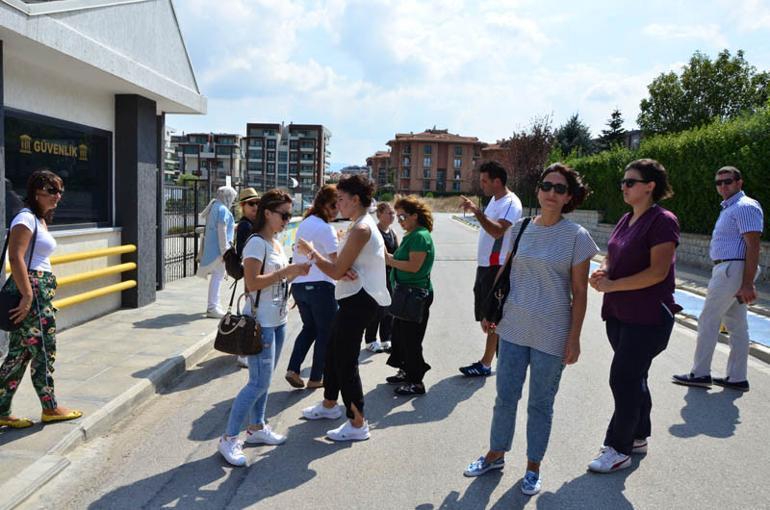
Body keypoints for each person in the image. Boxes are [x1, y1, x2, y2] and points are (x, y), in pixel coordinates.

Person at [464, 163, 597, 496]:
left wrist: (574, 338)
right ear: (538, 190)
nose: (552, 193)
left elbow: (580, 293)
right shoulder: (522, 227)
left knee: (540, 404)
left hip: (552, 333)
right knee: (505, 397)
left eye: (560, 189)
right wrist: (489, 311)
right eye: (546, 186)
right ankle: (495, 454)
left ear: (570, 197)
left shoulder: (577, 238)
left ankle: (533, 467)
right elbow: (506, 270)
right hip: (512, 327)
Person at [587, 158, 681, 473]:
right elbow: (612, 257)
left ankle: (618, 448)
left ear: (650, 186)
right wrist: (603, 272)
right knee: (635, 376)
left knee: (623, 377)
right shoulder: (625, 219)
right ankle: (638, 435)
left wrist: (613, 284)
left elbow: (657, 272)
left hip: (649, 316)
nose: (624, 187)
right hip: (618, 313)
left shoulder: (663, 220)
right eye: (623, 182)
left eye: (631, 182)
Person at [217, 189, 311, 467]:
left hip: (277, 320)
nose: (287, 219)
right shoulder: (257, 243)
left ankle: (257, 428)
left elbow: (276, 279)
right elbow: (252, 283)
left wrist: (293, 276)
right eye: (283, 214)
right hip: (261, 324)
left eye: (289, 214)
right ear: (267, 213)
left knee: (265, 380)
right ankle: (229, 438)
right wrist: (286, 273)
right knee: (257, 382)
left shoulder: (277, 243)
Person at [296, 175, 390, 442]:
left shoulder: (361, 228)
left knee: (345, 361)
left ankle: (358, 423)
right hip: (355, 297)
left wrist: (311, 252)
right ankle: (329, 405)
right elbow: (344, 265)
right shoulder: (357, 224)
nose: (337, 204)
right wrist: (342, 265)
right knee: (332, 351)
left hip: (361, 300)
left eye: (341, 199)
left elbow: (336, 270)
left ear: (355, 199)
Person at [0, 169, 83, 428]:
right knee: (45, 349)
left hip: (38, 288)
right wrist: (27, 295)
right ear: (36, 192)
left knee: (20, 353)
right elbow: (16, 258)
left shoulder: (39, 219)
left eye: (60, 191)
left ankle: (1, 409)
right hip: (32, 289)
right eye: (52, 191)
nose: (58, 196)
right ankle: (50, 407)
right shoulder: (25, 219)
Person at [673, 166, 763, 392]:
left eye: (728, 181)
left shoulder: (744, 207)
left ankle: (700, 373)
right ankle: (737, 378)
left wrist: (747, 282)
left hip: (732, 270)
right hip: (730, 270)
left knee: (708, 320)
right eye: (719, 182)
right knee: (736, 324)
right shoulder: (731, 208)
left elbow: (753, 246)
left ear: (739, 182)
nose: (723, 186)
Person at [459, 161, 522, 377]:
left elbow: (498, 232)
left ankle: (487, 363)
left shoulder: (511, 203)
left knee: (493, 316)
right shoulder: (495, 200)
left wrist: (477, 212)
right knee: (489, 316)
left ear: (497, 181)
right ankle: (501, 361)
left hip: (497, 266)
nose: (481, 185)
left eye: (484, 181)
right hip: (486, 265)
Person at [285, 185, 339, 389]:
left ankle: (293, 369)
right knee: (327, 332)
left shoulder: (306, 223)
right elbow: (337, 262)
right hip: (321, 287)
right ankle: (316, 377)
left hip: (300, 286)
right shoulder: (326, 228)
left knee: (310, 328)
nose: (336, 210)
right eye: (333, 206)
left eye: (338, 205)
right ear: (323, 205)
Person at [384, 196, 435, 395]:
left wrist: (390, 261)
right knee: (399, 336)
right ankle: (406, 370)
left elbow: (414, 266)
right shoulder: (413, 234)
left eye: (403, 216)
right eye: (398, 217)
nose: (400, 220)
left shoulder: (420, 236)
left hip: (414, 294)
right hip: (405, 293)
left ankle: (416, 381)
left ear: (415, 216)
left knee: (411, 339)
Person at [197, 186, 237, 318]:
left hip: (213, 249)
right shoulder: (223, 210)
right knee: (218, 277)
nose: (232, 201)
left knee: (217, 277)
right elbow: (222, 232)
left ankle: (214, 305)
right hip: (219, 251)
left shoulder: (214, 206)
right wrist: (225, 252)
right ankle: (213, 307)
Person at [365, 202, 399, 353]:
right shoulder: (375, 232)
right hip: (376, 275)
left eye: (393, 213)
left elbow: (397, 253)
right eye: (389, 213)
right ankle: (370, 340)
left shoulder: (392, 232)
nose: (392, 216)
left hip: (390, 276)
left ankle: (386, 338)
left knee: (389, 308)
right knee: (377, 309)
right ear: (379, 215)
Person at [232, 187, 260, 369]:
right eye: (251, 204)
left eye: (257, 203)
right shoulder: (245, 226)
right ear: (243, 206)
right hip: (250, 272)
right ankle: (242, 352)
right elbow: (243, 251)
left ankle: (244, 348)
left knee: (251, 309)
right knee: (249, 310)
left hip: (253, 272)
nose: (255, 207)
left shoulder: (251, 224)